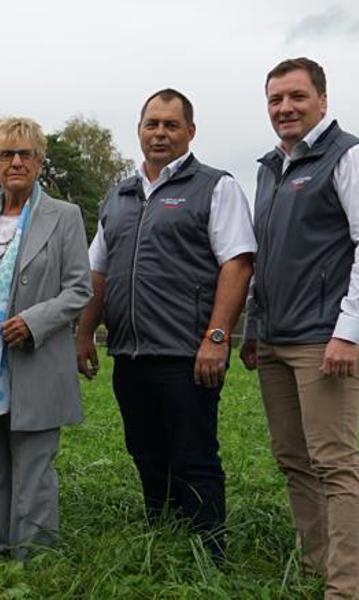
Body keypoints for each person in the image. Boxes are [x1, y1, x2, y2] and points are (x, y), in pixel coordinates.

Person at [74, 89, 256, 558]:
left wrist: (218, 337)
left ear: (190, 132)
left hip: (188, 354)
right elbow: (99, 269)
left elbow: (236, 263)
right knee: (147, 455)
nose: (160, 133)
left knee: (194, 458)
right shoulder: (119, 196)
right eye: (152, 124)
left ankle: (208, 554)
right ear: (139, 131)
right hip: (130, 353)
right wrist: (83, 332)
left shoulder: (216, 187)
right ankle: (164, 542)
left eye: (171, 125)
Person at [241, 57, 359, 599]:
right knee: (294, 460)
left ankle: (345, 589)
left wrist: (350, 331)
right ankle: (315, 567)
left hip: (325, 339)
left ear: (322, 100)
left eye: (297, 97)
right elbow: (267, 255)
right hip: (276, 339)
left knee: (335, 463)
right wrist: (254, 327)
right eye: (276, 99)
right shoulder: (269, 168)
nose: (285, 108)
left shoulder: (353, 157)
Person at [0, 116, 91, 558]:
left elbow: (79, 288)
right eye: (6, 154)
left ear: (40, 161)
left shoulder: (63, 217)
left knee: (34, 469)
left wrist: (34, 322)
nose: (16, 162)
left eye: (26, 154)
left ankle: (34, 563)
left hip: (36, 364)